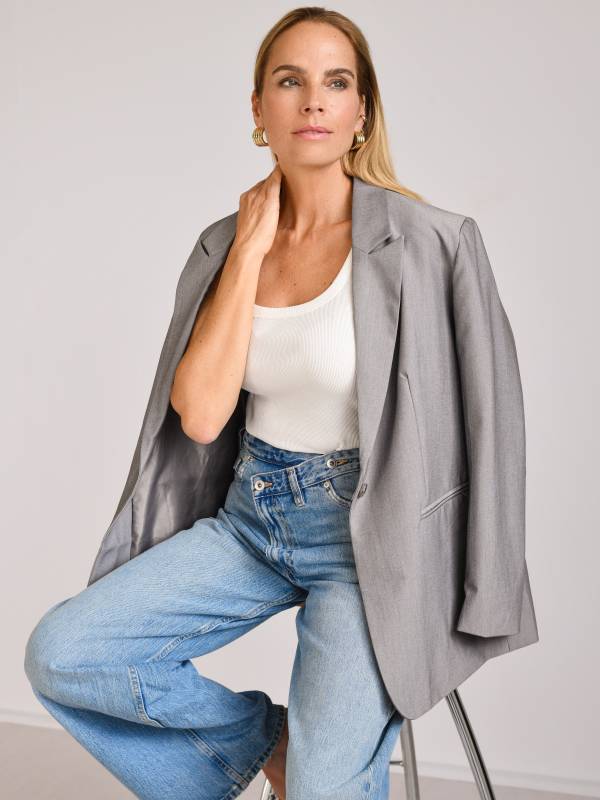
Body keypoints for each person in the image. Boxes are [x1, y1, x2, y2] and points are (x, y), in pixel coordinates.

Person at [24, 7, 537, 800]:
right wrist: (250, 249)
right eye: (290, 81)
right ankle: (270, 742)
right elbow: (201, 415)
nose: (314, 100)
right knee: (63, 652)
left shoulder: (434, 242)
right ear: (259, 109)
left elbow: (494, 428)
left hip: (372, 546)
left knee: (325, 791)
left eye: (337, 82)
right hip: (251, 520)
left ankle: (315, 764)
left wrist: (486, 589)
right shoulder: (222, 244)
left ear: (362, 109)